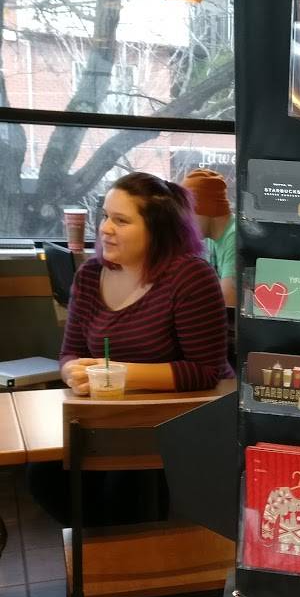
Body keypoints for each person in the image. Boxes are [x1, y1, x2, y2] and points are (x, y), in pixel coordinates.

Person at [30, 172, 230, 524]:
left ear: (157, 229)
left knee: (125, 489)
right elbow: (70, 351)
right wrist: (72, 371)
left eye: (121, 221)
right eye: (105, 216)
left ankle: (131, 550)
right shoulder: (89, 275)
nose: (105, 229)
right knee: (44, 476)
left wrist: (116, 374)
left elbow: (205, 371)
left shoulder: (191, 277)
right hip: (108, 414)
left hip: (180, 419)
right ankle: (105, 549)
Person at [183, 167, 236, 307]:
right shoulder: (208, 237)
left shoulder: (235, 238)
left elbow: (228, 303)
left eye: (188, 214)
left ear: (206, 210)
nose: (185, 222)